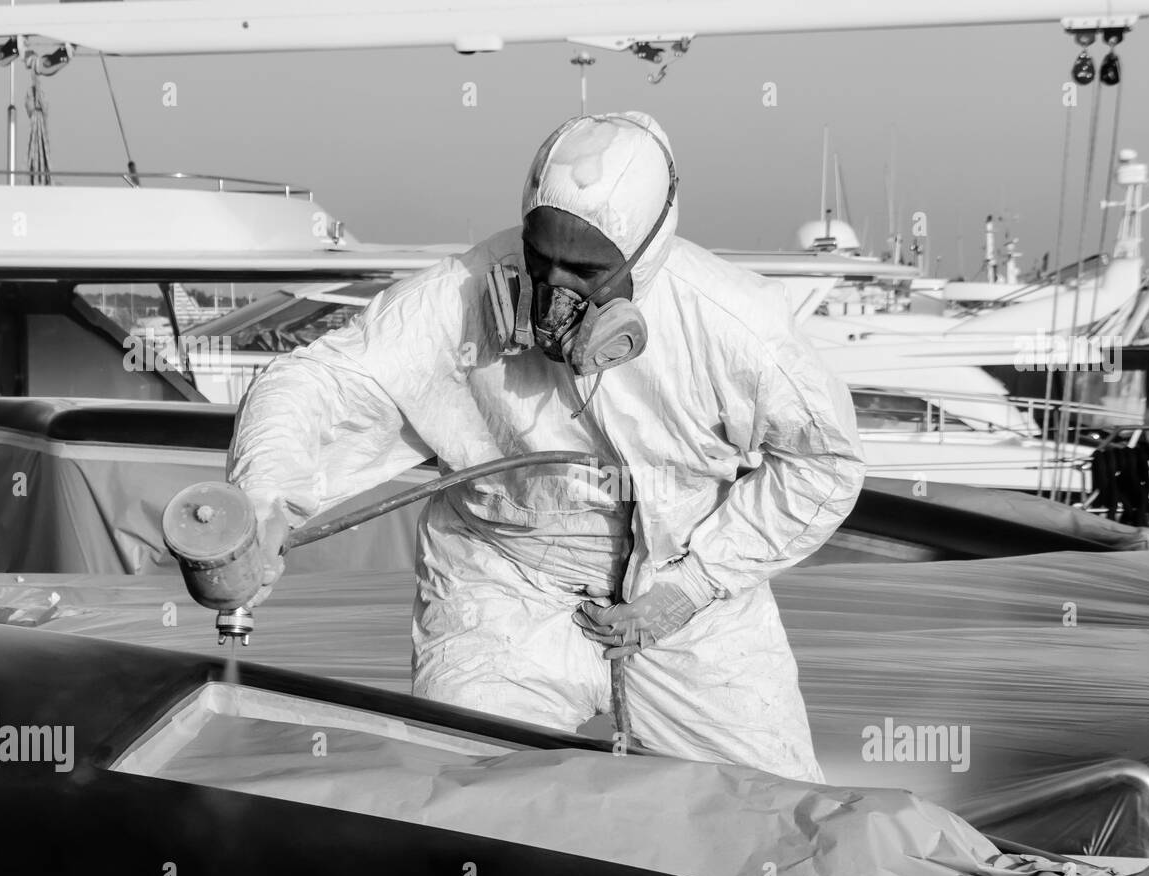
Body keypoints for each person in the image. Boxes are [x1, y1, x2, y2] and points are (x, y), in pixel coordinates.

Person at [228, 111, 864, 782]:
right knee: (470, 798)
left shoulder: (735, 327)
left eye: (586, 271)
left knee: (765, 816)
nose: (554, 291)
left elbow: (826, 462)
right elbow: (315, 379)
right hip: (506, 582)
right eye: (541, 259)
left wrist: (695, 583)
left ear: (647, 257)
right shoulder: (467, 292)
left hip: (688, 587)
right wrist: (263, 497)